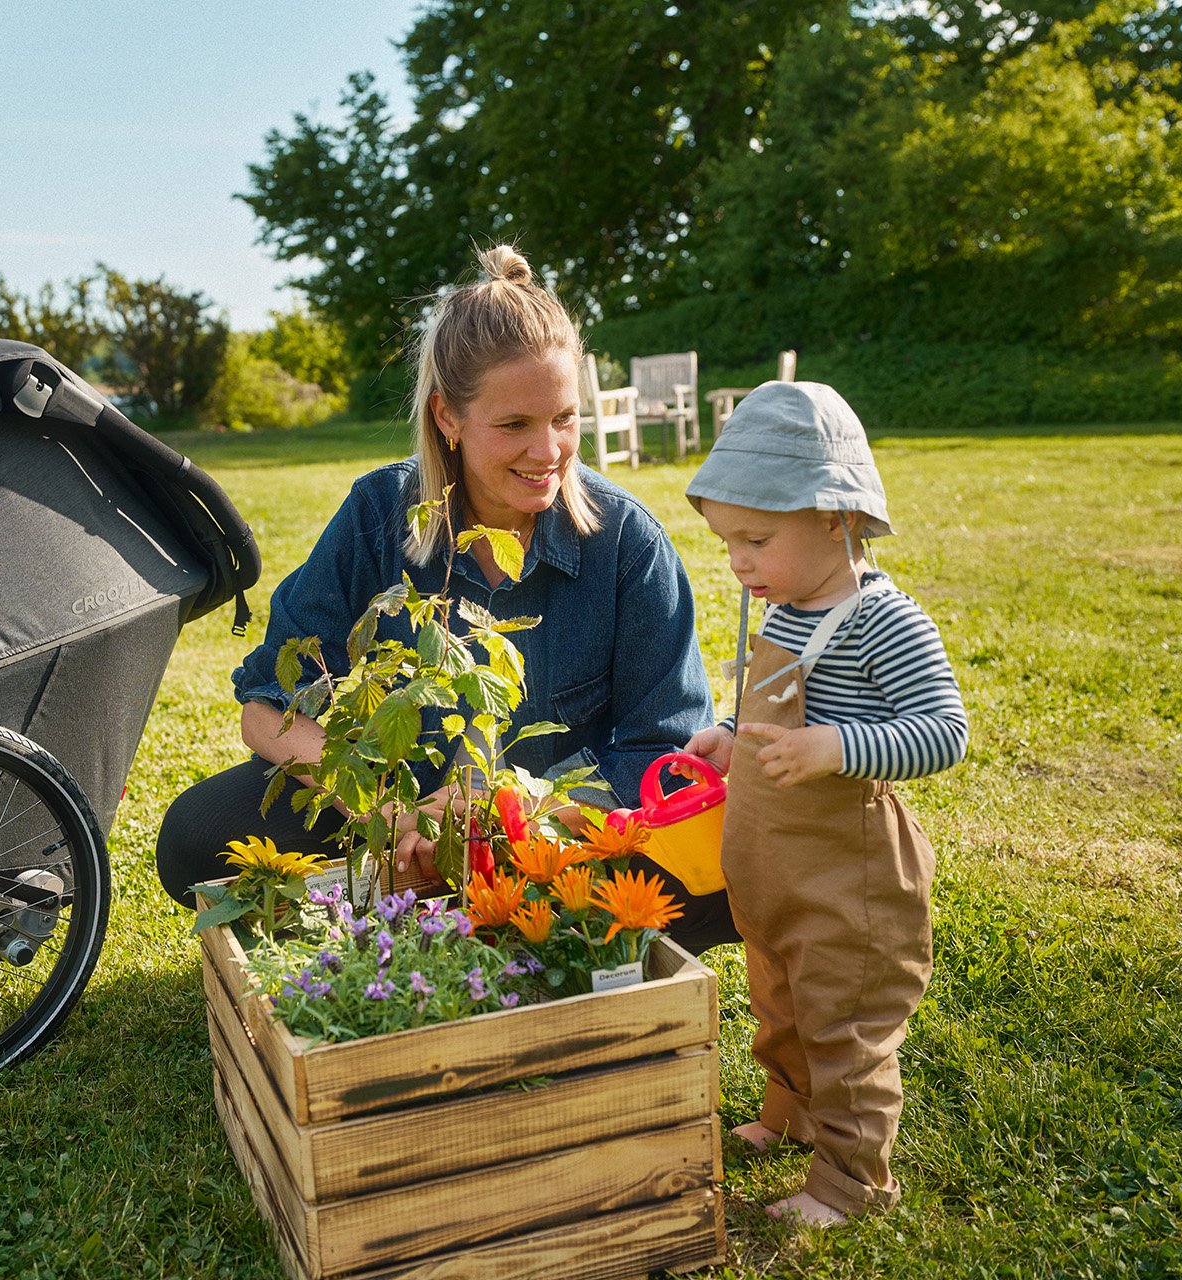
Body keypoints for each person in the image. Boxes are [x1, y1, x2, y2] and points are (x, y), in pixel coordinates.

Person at [154, 245, 738, 953]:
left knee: (727, 872)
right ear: (447, 418)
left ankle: (479, 916)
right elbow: (268, 710)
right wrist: (387, 810)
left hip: (553, 837)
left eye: (564, 418)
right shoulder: (379, 515)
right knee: (195, 838)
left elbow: (661, 751)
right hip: (387, 813)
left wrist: (508, 806)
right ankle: (417, 907)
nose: (549, 450)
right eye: (515, 425)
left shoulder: (626, 545)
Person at [679, 380, 968, 1225]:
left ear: (836, 520)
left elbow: (944, 731)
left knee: (843, 1022)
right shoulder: (783, 610)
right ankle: (793, 1112)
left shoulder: (882, 620)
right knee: (781, 1002)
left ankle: (851, 1183)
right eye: (729, 541)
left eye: (757, 540)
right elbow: (774, 706)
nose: (738, 563)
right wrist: (733, 734)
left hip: (850, 877)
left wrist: (837, 746)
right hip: (775, 872)